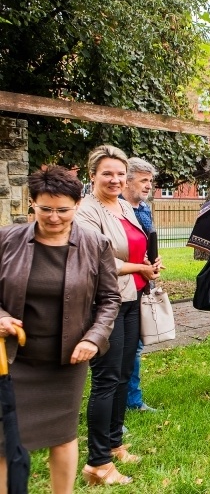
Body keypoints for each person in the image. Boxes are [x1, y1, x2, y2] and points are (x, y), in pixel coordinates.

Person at [0, 165, 120, 494]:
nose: (54, 217)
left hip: (68, 357)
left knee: (63, 435)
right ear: (32, 203)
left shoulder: (96, 243)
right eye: (46, 208)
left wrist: (93, 339)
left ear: (77, 206)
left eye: (63, 210)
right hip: (13, 359)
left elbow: (110, 298)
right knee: (5, 437)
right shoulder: (7, 239)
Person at [76, 145, 162, 485]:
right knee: (106, 379)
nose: (115, 179)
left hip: (129, 297)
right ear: (92, 176)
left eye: (119, 174)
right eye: (107, 173)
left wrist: (149, 264)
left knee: (124, 373)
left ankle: (113, 445)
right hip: (102, 303)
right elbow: (98, 261)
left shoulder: (124, 205)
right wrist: (138, 267)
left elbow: (136, 244)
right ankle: (96, 464)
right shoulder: (86, 211)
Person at [121, 158, 160, 414]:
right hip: (120, 283)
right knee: (121, 349)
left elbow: (147, 243)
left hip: (142, 283)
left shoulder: (144, 209)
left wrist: (153, 262)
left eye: (150, 180)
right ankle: (123, 403)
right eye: (143, 180)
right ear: (127, 180)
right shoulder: (117, 208)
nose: (148, 185)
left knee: (135, 346)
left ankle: (133, 400)